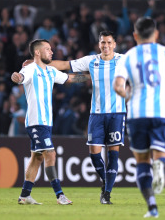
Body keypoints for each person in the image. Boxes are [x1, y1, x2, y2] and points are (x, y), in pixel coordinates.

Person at [23, 31, 124, 205]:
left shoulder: (124, 60)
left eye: (109, 42)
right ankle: (106, 183)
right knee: (94, 155)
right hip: (96, 114)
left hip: (117, 113)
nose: (105, 46)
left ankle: (106, 193)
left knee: (113, 155)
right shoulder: (91, 60)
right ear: (99, 44)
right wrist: (35, 62)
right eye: (102, 43)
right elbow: (64, 64)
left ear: (114, 44)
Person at [113, 17, 165, 218]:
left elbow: (118, 86)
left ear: (135, 35)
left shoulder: (128, 56)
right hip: (162, 113)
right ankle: (161, 166)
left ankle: (152, 207)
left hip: (137, 114)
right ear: (156, 34)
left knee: (141, 162)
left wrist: (127, 95)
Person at [11, 39, 90, 205]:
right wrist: (16, 77)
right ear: (38, 53)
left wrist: (93, 76)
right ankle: (59, 195)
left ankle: (24, 196)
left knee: (37, 158)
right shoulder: (30, 69)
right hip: (35, 122)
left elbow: (70, 78)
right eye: (48, 49)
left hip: (46, 123)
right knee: (50, 154)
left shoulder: (51, 71)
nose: (52, 52)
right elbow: (20, 78)